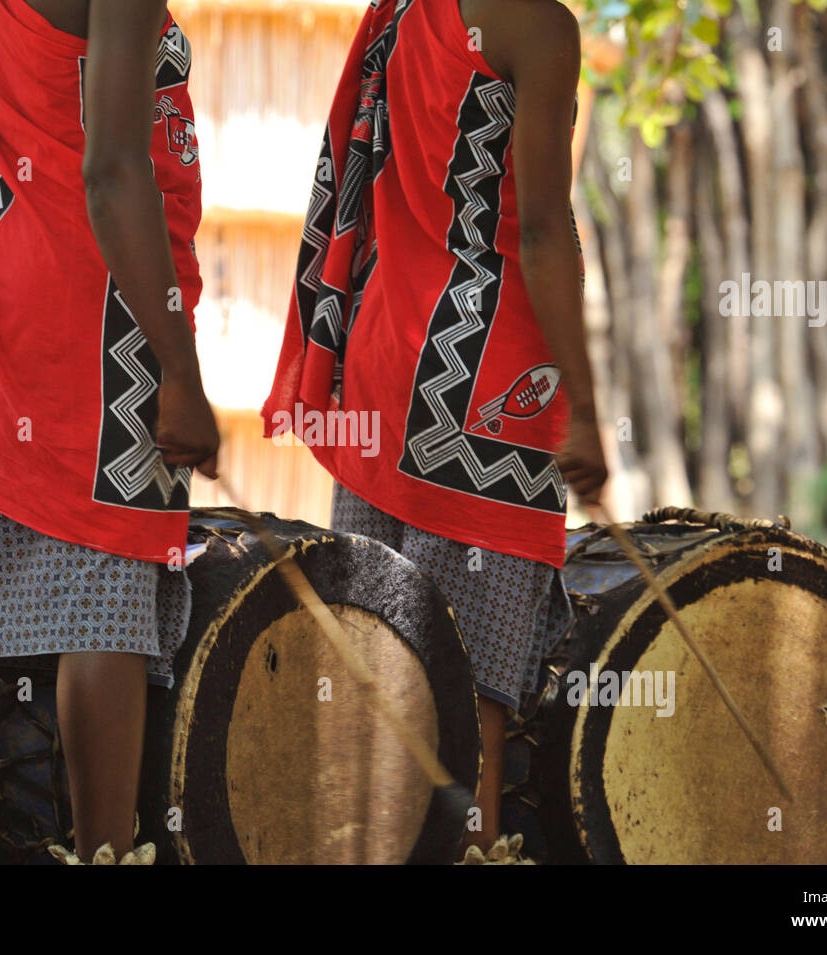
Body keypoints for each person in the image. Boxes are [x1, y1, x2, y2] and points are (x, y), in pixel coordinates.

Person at [262, 0, 607, 862]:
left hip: (381, 371)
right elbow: (539, 228)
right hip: (485, 393)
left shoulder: (409, 11)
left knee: (382, 685)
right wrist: (589, 406)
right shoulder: (539, 26)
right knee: (472, 706)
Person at [0, 0, 218, 865]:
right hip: (101, 314)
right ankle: (106, 851)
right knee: (108, 587)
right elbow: (111, 173)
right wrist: (178, 372)